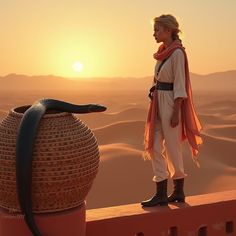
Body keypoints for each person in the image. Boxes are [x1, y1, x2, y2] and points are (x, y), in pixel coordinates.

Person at [141, 14, 203, 207]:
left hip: (171, 103)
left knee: (173, 148)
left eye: (157, 30)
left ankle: (178, 191)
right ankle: (160, 192)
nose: (154, 34)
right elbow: (158, 78)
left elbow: (179, 83)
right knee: (155, 146)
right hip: (158, 102)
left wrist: (176, 110)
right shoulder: (162, 52)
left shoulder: (177, 53)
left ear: (168, 30)